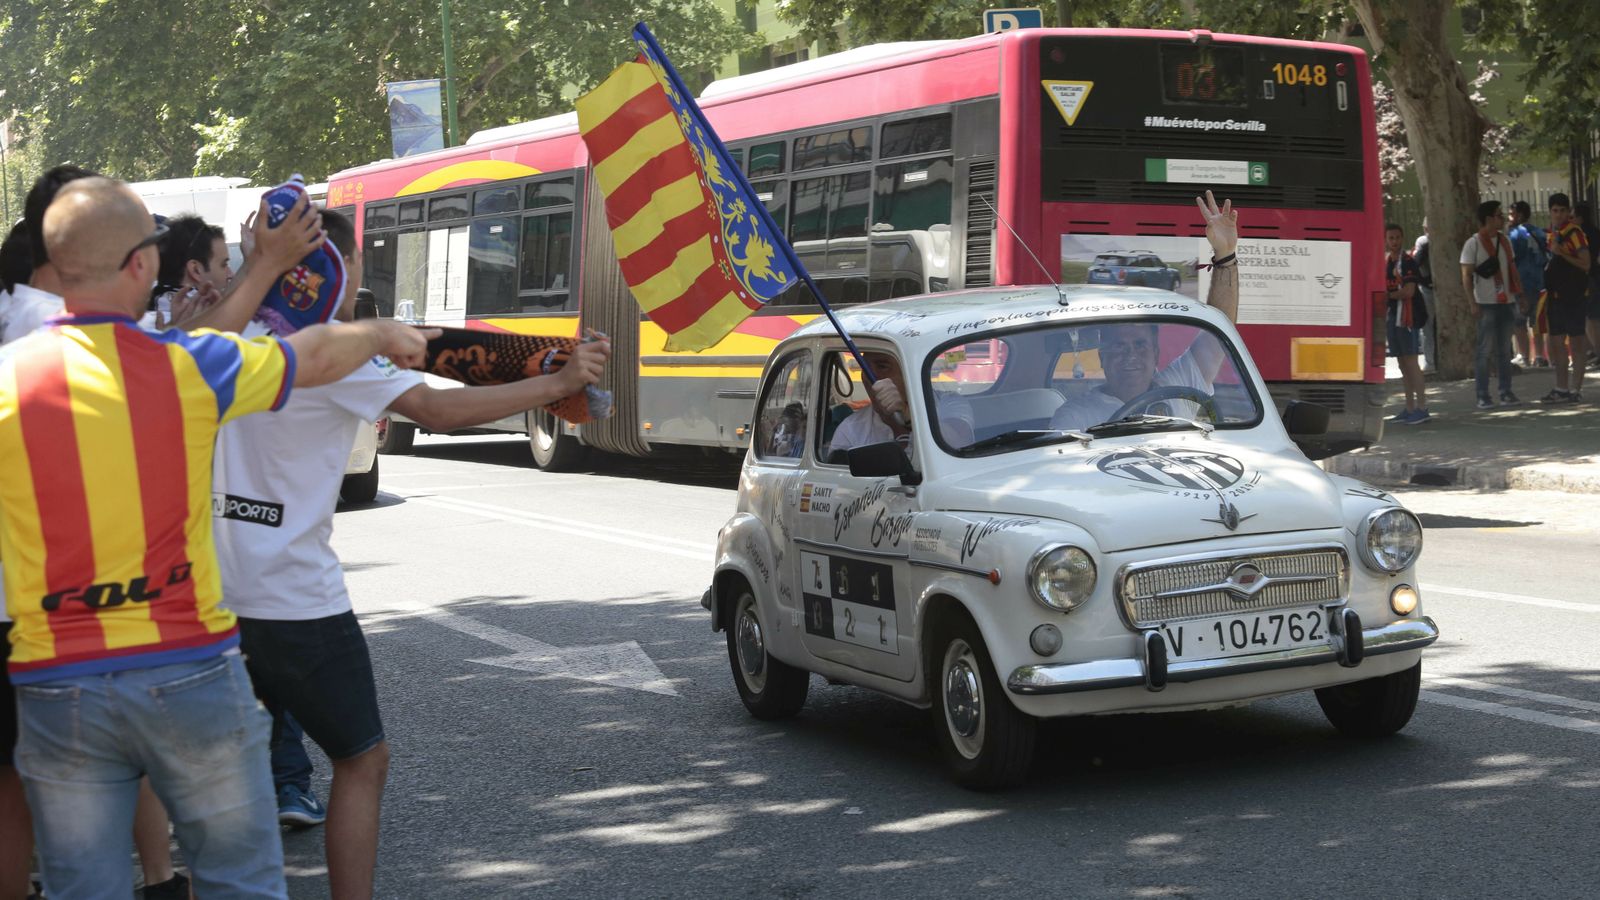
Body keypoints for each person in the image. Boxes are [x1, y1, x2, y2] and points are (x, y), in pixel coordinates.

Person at [0, 175, 431, 898]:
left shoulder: (9, 379)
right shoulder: (186, 365)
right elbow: (315, 356)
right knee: (238, 879)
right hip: (189, 667)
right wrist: (380, 333)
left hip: (56, 681)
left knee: (83, 887)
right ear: (141, 265)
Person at [209, 208, 609, 900]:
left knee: (221, 780)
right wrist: (555, 383)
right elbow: (440, 413)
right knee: (362, 759)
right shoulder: (328, 353)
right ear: (340, 270)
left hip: (209, 597)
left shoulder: (215, 340)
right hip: (297, 600)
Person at [1049, 190, 1240, 431]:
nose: (1131, 355)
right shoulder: (1075, 417)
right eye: (1119, 346)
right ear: (1102, 356)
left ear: (1156, 352)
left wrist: (1225, 256)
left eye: (1140, 345)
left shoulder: (1177, 387)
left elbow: (1219, 333)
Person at [1459, 200, 1521, 408]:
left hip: (1506, 301)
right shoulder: (1473, 243)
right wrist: (1472, 302)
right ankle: (1483, 395)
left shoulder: (1505, 241)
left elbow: (1512, 269)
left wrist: (1519, 295)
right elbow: (1466, 275)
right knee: (1484, 351)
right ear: (1488, 219)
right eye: (1498, 215)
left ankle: (1506, 392)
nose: (1502, 218)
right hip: (1485, 303)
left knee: (1504, 350)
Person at [1541, 193, 1590, 403]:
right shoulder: (1552, 233)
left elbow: (1586, 264)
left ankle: (1576, 390)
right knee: (1557, 343)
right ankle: (1561, 388)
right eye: (1555, 210)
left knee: (1577, 343)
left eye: (1562, 210)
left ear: (1568, 212)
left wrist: (1562, 253)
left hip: (1574, 297)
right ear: (1550, 212)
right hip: (1555, 296)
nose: (1558, 214)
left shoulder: (1575, 233)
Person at [148, 214, 232, 328]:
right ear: (196, 270)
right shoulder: (205, 326)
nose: (230, 274)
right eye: (224, 264)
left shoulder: (152, 312)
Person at [1383, 223, 1429, 423]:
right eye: (1391, 238)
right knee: (1401, 363)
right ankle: (1409, 407)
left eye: (1397, 238)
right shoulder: (1385, 262)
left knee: (1411, 362)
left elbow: (1409, 291)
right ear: (1386, 240)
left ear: (1402, 239)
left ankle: (1422, 407)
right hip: (1392, 317)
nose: (1394, 242)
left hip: (1407, 317)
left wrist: (1388, 296)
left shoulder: (1408, 261)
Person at [1507, 200, 1548, 367]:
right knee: (1536, 321)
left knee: (1519, 321)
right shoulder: (1539, 232)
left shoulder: (1515, 234)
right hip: (1539, 281)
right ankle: (1539, 356)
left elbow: (1510, 258)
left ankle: (1524, 355)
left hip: (1521, 281)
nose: (1509, 218)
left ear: (1519, 215)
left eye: (1511, 214)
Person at [1574, 201, 1600, 367]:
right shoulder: (1596, 232)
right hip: (1596, 276)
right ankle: (1593, 351)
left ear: (1580, 218)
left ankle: (1597, 352)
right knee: (1591, 318)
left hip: (1588, 278)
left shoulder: (1580, 235)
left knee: (1591, 319)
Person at [1412, 218, 1439, 373]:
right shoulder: (1423, 242)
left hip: (1441, 289)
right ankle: (1430, 362)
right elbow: (1417, 262)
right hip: (1428, 289)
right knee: (1427, 327)